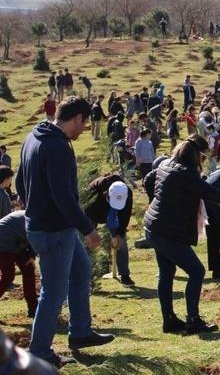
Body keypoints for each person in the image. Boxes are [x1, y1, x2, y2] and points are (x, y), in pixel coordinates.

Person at [15, 96, 114, 367]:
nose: (83, 130)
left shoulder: (33, 137)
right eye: (85, 124)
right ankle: (40, 353)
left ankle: (80, 331)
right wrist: (88, 229)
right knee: (54, 292)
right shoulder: (56, 146)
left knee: (81, 271)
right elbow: (63, 196)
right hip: (54, 229)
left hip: (48, 225)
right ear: (78, 118)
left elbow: (18, 180)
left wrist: (31, 205)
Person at [143, 135, 220, 335]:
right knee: (196, 271)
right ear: (197, 154)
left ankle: (169, 320)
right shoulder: (186, 173)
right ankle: (193, 320)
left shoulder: (166, 165)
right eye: (203, 157)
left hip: (153, 227)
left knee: (166, 274)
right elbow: (211, 193)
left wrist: (156, 201)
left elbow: (148, 179)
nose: (204, 161)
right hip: (167, 231)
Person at [83, 177, 134, 286]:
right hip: (92, 213)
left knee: (122, 243)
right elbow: (86, 210)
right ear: (107, 194)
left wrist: (119, 234)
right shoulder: (94, 190)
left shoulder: (127, 193)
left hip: (114, 214)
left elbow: (125, 216)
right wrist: (91, 231)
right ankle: (87, 279)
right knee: (87, 244)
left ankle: (125, 275)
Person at [0, 211, 38, 318]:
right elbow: (34, 237)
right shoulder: (35, 217)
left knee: (28, 270)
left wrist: (32, 255)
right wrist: (32, 254)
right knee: (8, 276)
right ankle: (34, 308)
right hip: (3, 241)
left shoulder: (36, 216)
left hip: (16, 242)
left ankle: (33, 308)